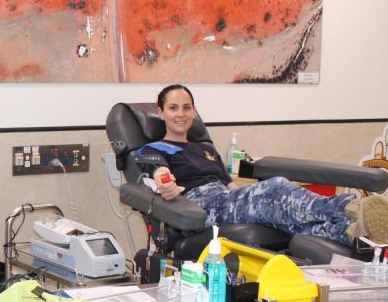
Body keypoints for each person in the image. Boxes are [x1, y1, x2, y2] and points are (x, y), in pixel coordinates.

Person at [141, 84, 388, 247]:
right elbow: (160, 173)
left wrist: (247, 197)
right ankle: (349, 207)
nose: (180, 114)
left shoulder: (206, 149)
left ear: (194, 112)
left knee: (287, 219)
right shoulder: (153, 150)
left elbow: (230, 185)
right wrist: (167, 185)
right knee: (276, 188)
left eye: (186, 108)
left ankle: (352, 231)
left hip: (226, 200)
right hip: (197, 208)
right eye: (173, 108)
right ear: (161, 113)